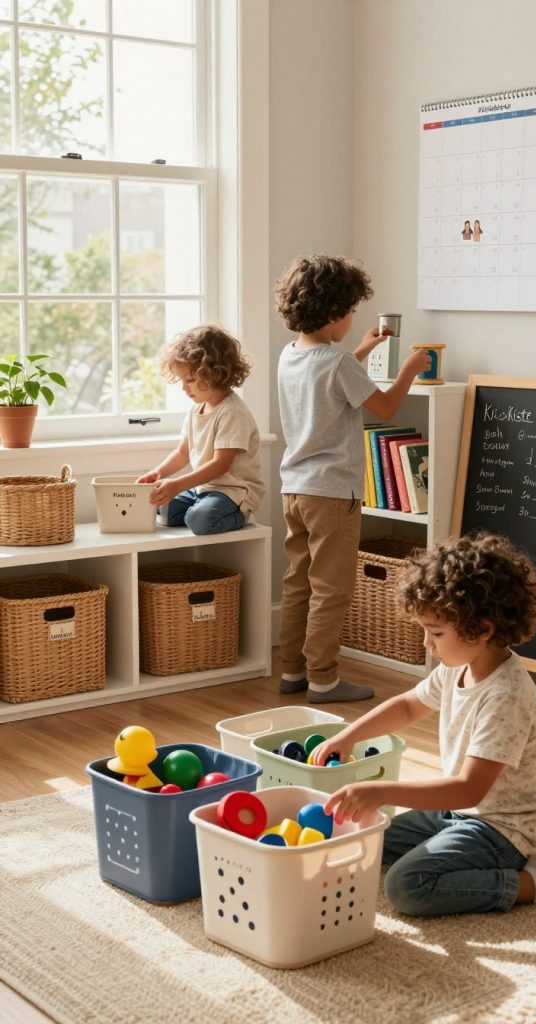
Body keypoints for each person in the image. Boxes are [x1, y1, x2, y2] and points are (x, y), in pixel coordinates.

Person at [313, 532, 536, 915]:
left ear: (483, 629)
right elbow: (408, 706)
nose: (428, 643)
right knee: (367, 840)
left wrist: (382, 791)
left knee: (408, 886)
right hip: (458, 815)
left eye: (436, 633)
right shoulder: (456, 669)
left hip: (506, 829)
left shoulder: (506, 695)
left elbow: (468, 789)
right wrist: (348, 736)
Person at [275, 252, 432, 704]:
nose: (351, 320)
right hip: (332, 494)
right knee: (332, 590)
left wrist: (361, 349)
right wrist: (407, 371)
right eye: (350, 313)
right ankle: (323, 679)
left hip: (296, 489)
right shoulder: (338, 364)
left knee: (299, 582)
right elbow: (384, 408)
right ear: (334, 313)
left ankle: (293, 672)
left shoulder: (292, 356)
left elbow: (328, 379)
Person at [137, 324, 265, 535]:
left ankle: (241, 514)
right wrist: (158, 472)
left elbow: (219, 465)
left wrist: (177, 485)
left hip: (232, 492)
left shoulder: (232, 412)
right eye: (182, 380)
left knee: (200, 521)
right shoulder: (196, 410)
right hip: (204, 489)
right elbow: (182, 452)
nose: (184, 388)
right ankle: (198, 510)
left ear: (215, 373)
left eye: (190, 380)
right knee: (160, 505)